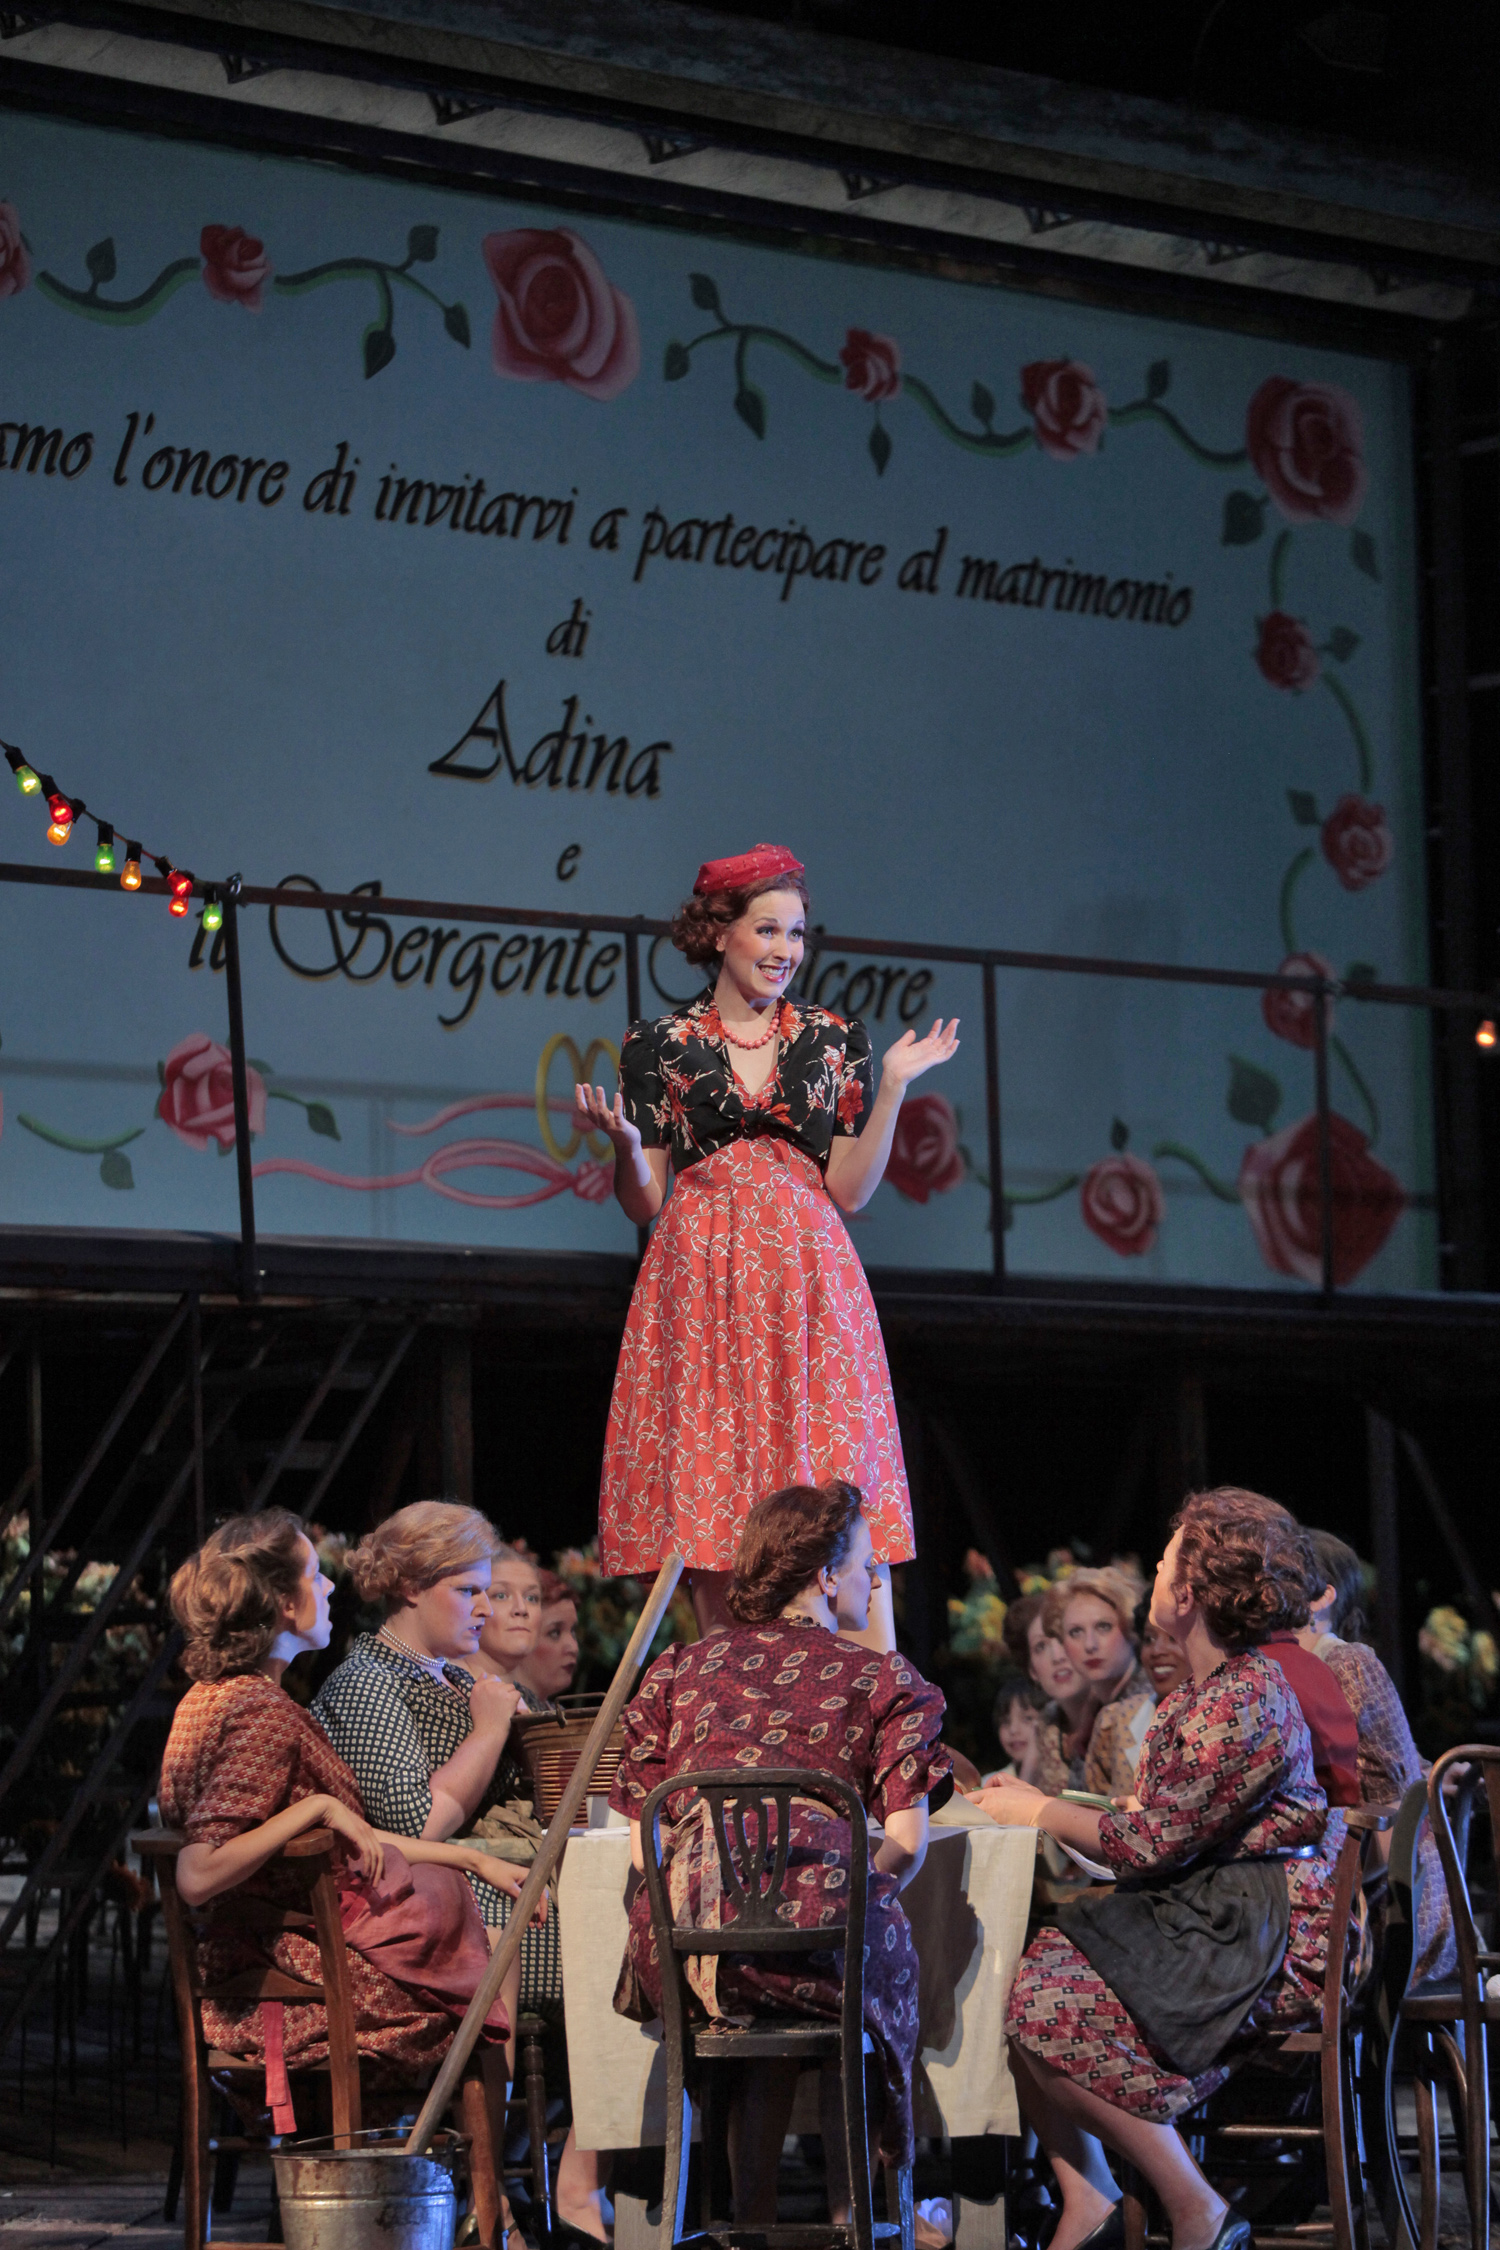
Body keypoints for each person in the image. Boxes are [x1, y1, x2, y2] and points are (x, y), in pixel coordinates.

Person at [574, 844, 959, 1647]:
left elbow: (850, 1189)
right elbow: (642, 1198)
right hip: (701, 1272)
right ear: (720, 933)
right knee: (710, 1480)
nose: (785, 949)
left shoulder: (832, 1037)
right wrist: (619, 1141)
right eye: (767, 929)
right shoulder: (658, 1043)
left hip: (805, 1274)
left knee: (824, 1469)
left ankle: (856, 1689)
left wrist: (890, 1086)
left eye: (797, 933)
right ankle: (729, 1679)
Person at [974, 1488, 1345, 2250]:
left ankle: (1196, 2205)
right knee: (1029, 1972)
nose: (1155, 1569)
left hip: (1254, 1926)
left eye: (1170, 1555)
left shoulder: (1245, 1696)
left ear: (1193, 1591)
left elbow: (1149, 1838)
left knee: (1044, 1999)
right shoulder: (1199, 1696)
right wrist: (1054, 1804)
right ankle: (1090, 2196)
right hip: (1204, 1908)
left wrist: (1039, 1811)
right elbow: (1154, 1820)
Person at [609, 1480, 951, 2225]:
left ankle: (752, 2220)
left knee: (769, 1993)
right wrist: (845, 1900)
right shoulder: (882, 1680)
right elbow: (909, 1844)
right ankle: (850, 2213)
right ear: (826, 1576)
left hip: (700, 1966)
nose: (876, 1580)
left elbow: (645, 1835)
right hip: (825, 1961)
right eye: (868, 1565)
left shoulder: (679, 1672)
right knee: (852, 1962)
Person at [158, 1509, 515, 2149]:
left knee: (470, 1920)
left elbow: (346, 1843)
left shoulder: (209, 1698)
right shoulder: (259, 1711)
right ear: (281, 1603)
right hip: (284, 1991)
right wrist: (317, 1809)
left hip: (257, 1968)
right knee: (483, 2002)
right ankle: (474, 2214)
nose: (329, 1590)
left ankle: (422, 2194)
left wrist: (471, 1861)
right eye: (315, 1576)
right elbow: (197, 1872)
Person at [461, 1541, 613, 2242]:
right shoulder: (475, 1695)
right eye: (555, 1629)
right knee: (630, 1945)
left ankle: (581, 2177)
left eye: (546, 1614)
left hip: (536, 1887)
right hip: (493, 1904)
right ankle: (566, 2181)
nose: (569, 1646)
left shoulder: (521, 1702)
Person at [1301, 1527, 1454, 1982]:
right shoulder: (1281, 1666)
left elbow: (1397, 1788)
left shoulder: (1344, 1662)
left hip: (1386, 1898)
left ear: (1320, 1597)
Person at [1042, 1567, 1153, 1799]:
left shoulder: (1146, 1706)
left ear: (1130, 1628)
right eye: (1075, 1632)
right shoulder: (1092, 1709)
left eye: (1103, 1627)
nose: (1090, 1644)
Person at [1002, 1591, 1095, 1795]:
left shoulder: (1121, 1711)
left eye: (1063, 1639)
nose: (1057, 1656)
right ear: (1032, 1670)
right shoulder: (1046, 1724)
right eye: (1041, 1646)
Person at [516, 1570, 582, 1707]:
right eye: (555, 1633)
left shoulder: (556, 1713)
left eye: (573, 1631)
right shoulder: (501, 1716)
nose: (573, 1647)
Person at [988, 1672, 1048, 1782]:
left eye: (1027, 1719)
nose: (1013, 1730)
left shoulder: (1070, 1778)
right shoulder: (992, 1783)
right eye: (1005, 1722)